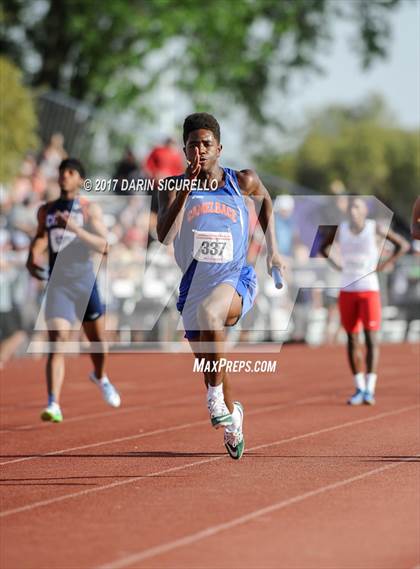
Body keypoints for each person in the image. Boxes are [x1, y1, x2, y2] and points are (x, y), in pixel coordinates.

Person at [157, 113, 284, 459]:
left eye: (206, 144)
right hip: (193, 287)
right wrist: (185, 188)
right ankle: (234, 421)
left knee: (213, 315)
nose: (200, 150)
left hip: (234, 279)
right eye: (193, 144)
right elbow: (163, 236)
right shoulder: (170, 187)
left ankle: (214, 400)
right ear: (184, 150)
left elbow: (266, 200)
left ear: (219, 148)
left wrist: (274, 250)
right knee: (211, 366)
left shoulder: (241, 180)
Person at [26, 158, 121, 422]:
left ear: (80, 179)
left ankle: (100, 376)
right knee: (57, 339)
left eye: (71, 172)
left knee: (98, 343)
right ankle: (53, 403)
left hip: (85, 284)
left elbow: (105, 246)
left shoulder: (89, 210)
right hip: (59, 284)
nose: (64, 176)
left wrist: (77, 229)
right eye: (62, 172)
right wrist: (32, 257)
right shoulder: (47, 210)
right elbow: (41, 239)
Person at [320, 197, 409, 405]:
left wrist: (385, 264)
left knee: (371, 339)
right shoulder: (341, 229)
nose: (353, 211)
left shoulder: (373, 228)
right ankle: (358, 386)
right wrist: (337, 265)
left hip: (369, 289)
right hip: (348, 289)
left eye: (357, 207)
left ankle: (370, 388)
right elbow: (323, 247)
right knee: (351, 339)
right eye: (351, 207)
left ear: (364, 211)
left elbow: (402, 245)